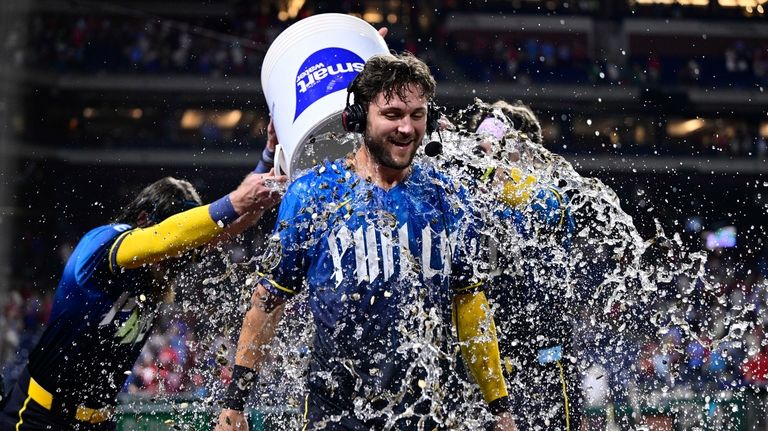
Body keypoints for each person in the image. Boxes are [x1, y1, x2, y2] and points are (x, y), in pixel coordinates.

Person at [216, 53, 517, 431]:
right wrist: (234, 405)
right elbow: (268, 301)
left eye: (417, 115)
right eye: (392, 114)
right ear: (357, 118)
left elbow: (470, 303)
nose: (406, 128)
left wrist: (499, 407)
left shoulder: (448, 197)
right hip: (335, 415)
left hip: (427, 415)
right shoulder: (314, 194)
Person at [0, 171, 286, 430]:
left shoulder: (164, 265)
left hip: (100, 421)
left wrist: (262, 179)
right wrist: (235, 201)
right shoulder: (104, 242)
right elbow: (166, 239)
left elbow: (216, 232)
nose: (184, 252)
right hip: (39, 415)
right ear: (143, 219)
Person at [462, 100, 582, 431]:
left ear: (527, 151)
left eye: (500, 144)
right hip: (485, 358)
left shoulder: (550, 197)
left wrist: (496, 184)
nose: (489, 156)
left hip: (544, 360)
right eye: (484, 144)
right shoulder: (467, 194)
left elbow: (545, 211)